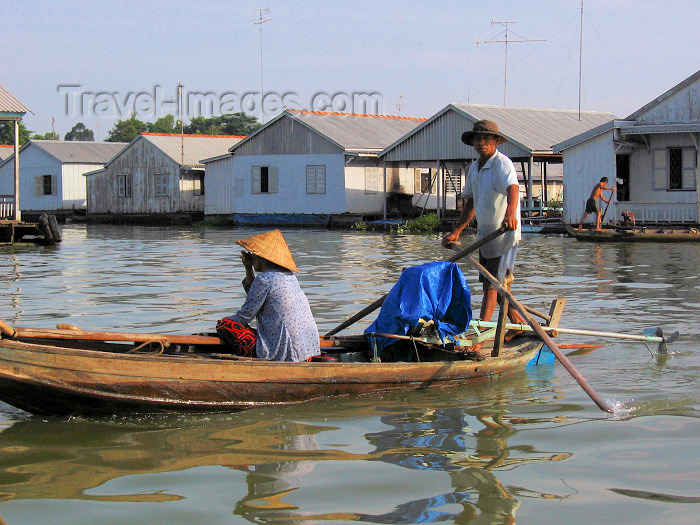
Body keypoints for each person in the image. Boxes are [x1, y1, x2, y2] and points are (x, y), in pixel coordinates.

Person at [441, 120, 525, 347]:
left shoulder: (502, 164)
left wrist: (510, 214)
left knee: (492, 286)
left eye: (487, 138)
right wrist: (457, 231)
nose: (481, 143)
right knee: (496, 288)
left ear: (496, 141)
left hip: (505, 235)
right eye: (478, 139)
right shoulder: (475, 168)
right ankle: (518, 324)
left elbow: (513, 188)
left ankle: (479, 338)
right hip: (486, 236)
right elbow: (471, 203)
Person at [216, 229, 320, 362]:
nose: (252, 258)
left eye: (254, 256)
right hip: (306, 350)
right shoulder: (289, 277)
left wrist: (227, 321)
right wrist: (249, 268)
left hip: (286, 352)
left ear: (261, 258)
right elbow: (256, 297)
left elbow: (244, 316)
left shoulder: (264, 279)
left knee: (224, 325)